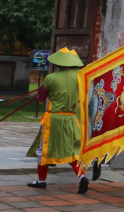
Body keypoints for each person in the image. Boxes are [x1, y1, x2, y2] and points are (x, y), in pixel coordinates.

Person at [26, 48, 89, 194]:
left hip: (53, 119)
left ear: (57, 63)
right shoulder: (78, 77)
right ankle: (81, 177)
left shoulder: (51, 78)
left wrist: (41, 94)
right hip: (71, 118)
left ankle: (41, 181)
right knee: (72, 150)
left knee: (44, 150)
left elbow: (41, 99)